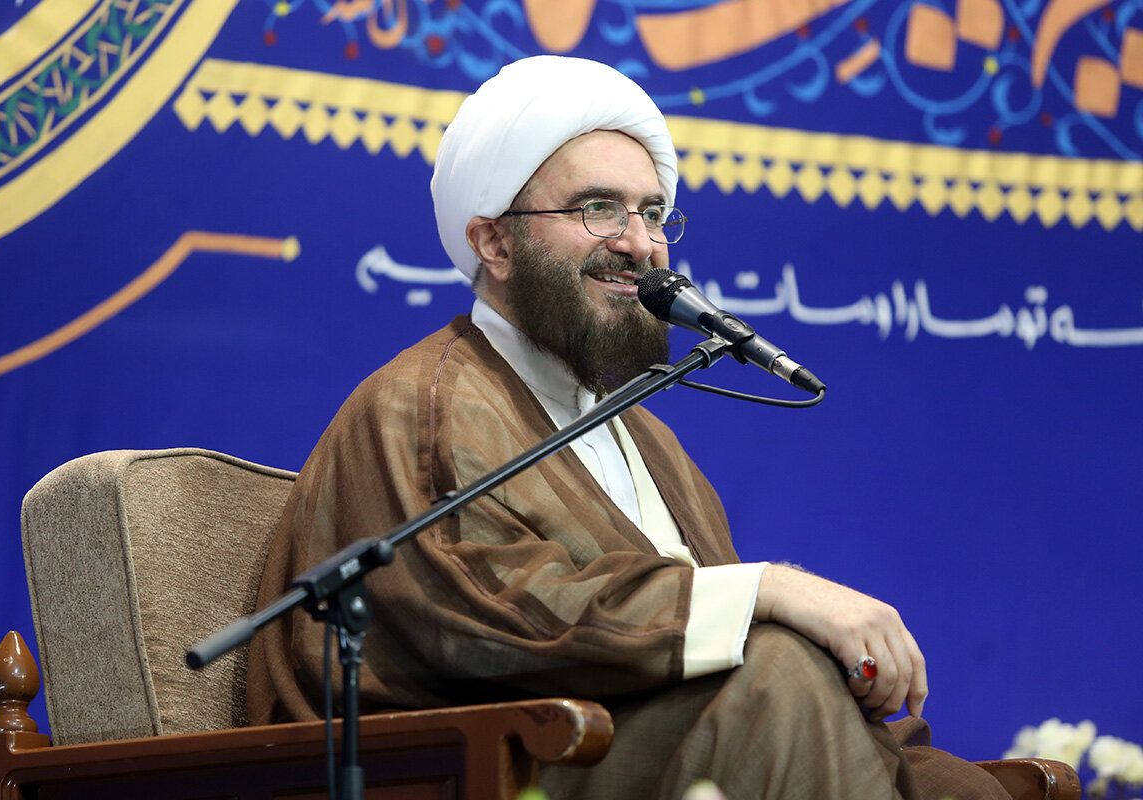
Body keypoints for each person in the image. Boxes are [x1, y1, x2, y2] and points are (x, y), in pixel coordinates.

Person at [247, 56, 1009, 799]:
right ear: (494, 243)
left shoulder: (645, 438)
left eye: (652, 213)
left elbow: (718, 646)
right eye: (598, 208)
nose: (640, 244)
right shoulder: (419, 404)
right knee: (778, 680)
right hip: (473, 766)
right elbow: (487, 615)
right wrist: (770, 590)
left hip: (650, 749)